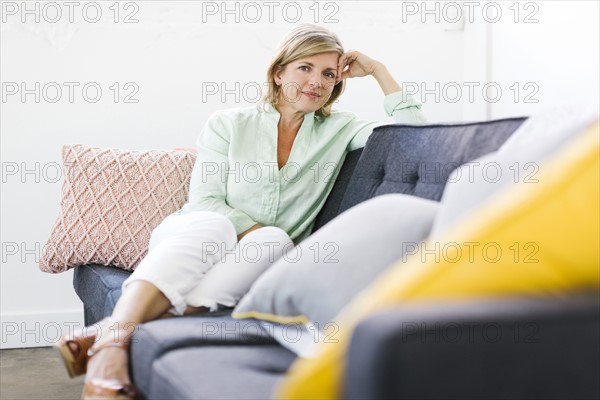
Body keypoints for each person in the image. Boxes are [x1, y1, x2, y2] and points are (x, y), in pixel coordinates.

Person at [55, 23, 426, 399]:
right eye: (305, 67)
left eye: (329, 73)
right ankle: (111, 347)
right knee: (218, 225)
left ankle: (105, 334)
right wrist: (247, 231)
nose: (317, 81)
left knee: (275, 239)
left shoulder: (342, 129)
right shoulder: (228, 123)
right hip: (195, 238)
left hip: (256, 257)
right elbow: (205, 201)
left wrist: (379, 71)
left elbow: (416, 137)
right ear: (279, 73)